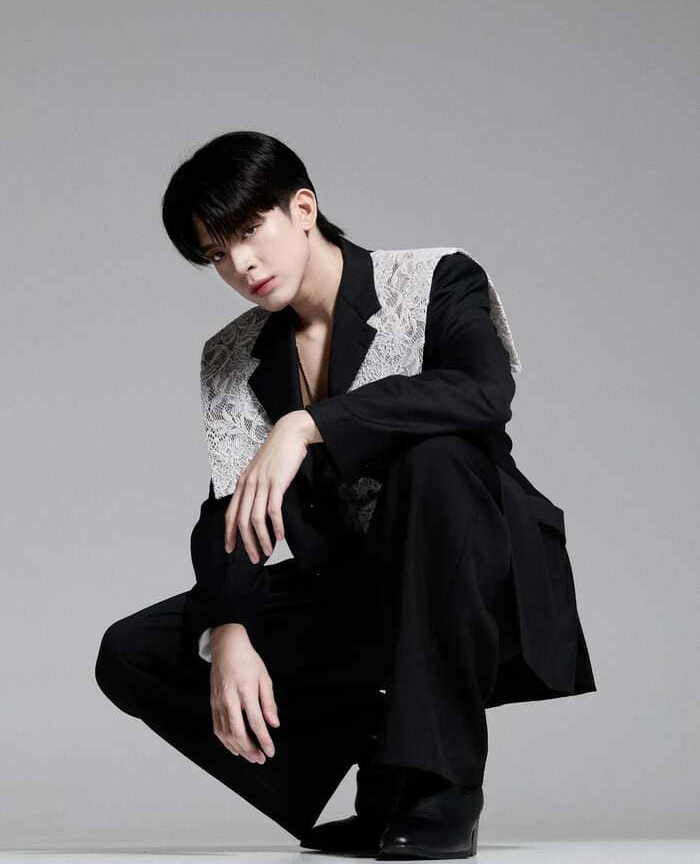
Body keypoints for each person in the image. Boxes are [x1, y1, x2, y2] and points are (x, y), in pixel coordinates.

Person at [94, 130, 596, 860]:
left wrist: (308, 424)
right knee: (134, 650)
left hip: (476, 570)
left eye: (249, 231)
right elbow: (229, 512)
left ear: (303, 208)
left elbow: (483, 391)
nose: (240, 264)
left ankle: (441, 781)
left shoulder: (433, 279)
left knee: (436, 459)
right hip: (356, 592)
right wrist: (228, 628)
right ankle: (385, 767)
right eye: (216, 253)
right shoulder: (232, 356)